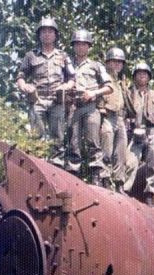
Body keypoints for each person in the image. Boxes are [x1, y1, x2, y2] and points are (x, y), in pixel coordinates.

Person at [16, 17, 74, 163]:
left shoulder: (63, 56)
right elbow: (20, 76)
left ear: (55, 35)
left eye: (50, 31)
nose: (47, 34)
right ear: (39, 35)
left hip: (57, 100)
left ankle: (57, 168)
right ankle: (38, 166)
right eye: (44, 32)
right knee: (36, 137)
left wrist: (65, 87)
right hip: (37, 100)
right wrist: (24, 86)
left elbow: (73, 79)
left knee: (58, 139)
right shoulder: (31, 56)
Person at [66, 29, 112, 183]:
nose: (80, 47)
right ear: (73, 46)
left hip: (90, 106)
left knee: (93, 142)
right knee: (74, 143)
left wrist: (93, 93)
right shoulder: (67, 65)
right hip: (73, 106)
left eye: (83, 44)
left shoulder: (96, 65)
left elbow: (109, 87)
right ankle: (73, 176)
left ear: (89, 47)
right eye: (77, 44)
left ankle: (96, 176)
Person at [126, 62, 154, 206]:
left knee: (152, 165)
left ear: (149, 77)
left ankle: (150, 194)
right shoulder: (129, 93)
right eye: (139, 74)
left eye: (145, 74)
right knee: (131, 162)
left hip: (151, 132)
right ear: (134, 77)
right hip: (135, 132)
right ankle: (125, 190)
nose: (142, 76)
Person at [99, 47, 133, 190]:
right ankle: (105, 179)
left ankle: (119, 182)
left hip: (120, 118)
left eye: (120, 62)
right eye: (114, 61)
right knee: (106, 150)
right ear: (107, 63)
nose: (117, 65)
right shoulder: (103, 78)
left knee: (121, 153)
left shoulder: (122, 82)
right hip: (107, 115)